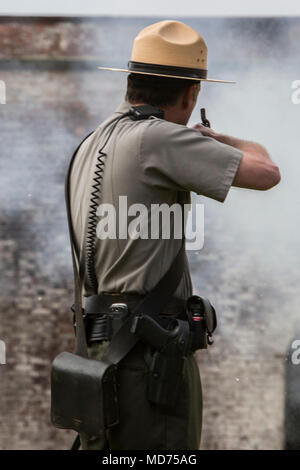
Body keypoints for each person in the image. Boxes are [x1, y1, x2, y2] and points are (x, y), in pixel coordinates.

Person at [68, 20, 280, 450]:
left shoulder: (94, 141)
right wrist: (217, 138)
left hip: (99, 349)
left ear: (131, 82)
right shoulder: (160, 139)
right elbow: (267, 171)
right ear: (192, 94)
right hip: (149, 357)